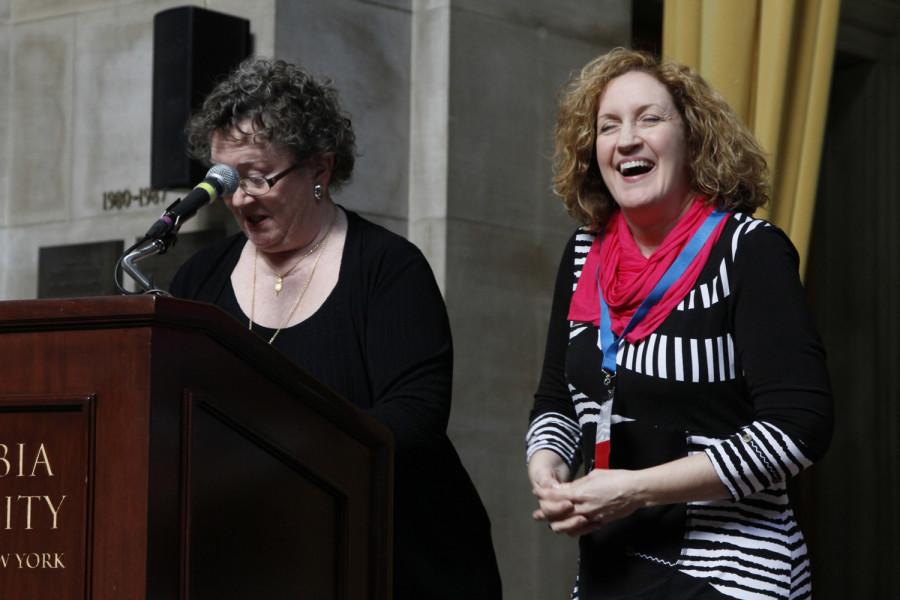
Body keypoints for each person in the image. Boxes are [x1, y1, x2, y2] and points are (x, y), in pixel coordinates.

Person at [170, 57, 501, 599]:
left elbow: (415, 415)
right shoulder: (200, 279)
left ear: (319, 169)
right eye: (226, 180)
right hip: (254, 563)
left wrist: (283, 463)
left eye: (257, 177)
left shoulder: (388, 269)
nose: (239, 199)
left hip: (399, 561)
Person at [526, 48, 833, 600]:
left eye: (650, 118)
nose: (627, 139)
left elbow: (798, 429)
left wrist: (638, 489)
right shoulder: (582, 256)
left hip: (729, 575)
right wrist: (546, 467)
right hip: (609, 572)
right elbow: (557, 400)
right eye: (608, 126)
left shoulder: (748, 251)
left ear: (692, 139)